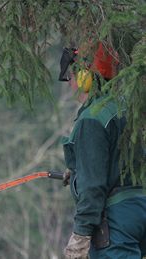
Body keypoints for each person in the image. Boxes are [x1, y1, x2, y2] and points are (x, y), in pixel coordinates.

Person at [59, 42, 146, 258]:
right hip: (139, 211)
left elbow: (93, 187)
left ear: (85, 77)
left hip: (116, 222)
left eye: (73, 74)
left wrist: (81, 235)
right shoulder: (126, 109)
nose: (71, 82)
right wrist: (80, 168)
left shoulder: (92, 119)